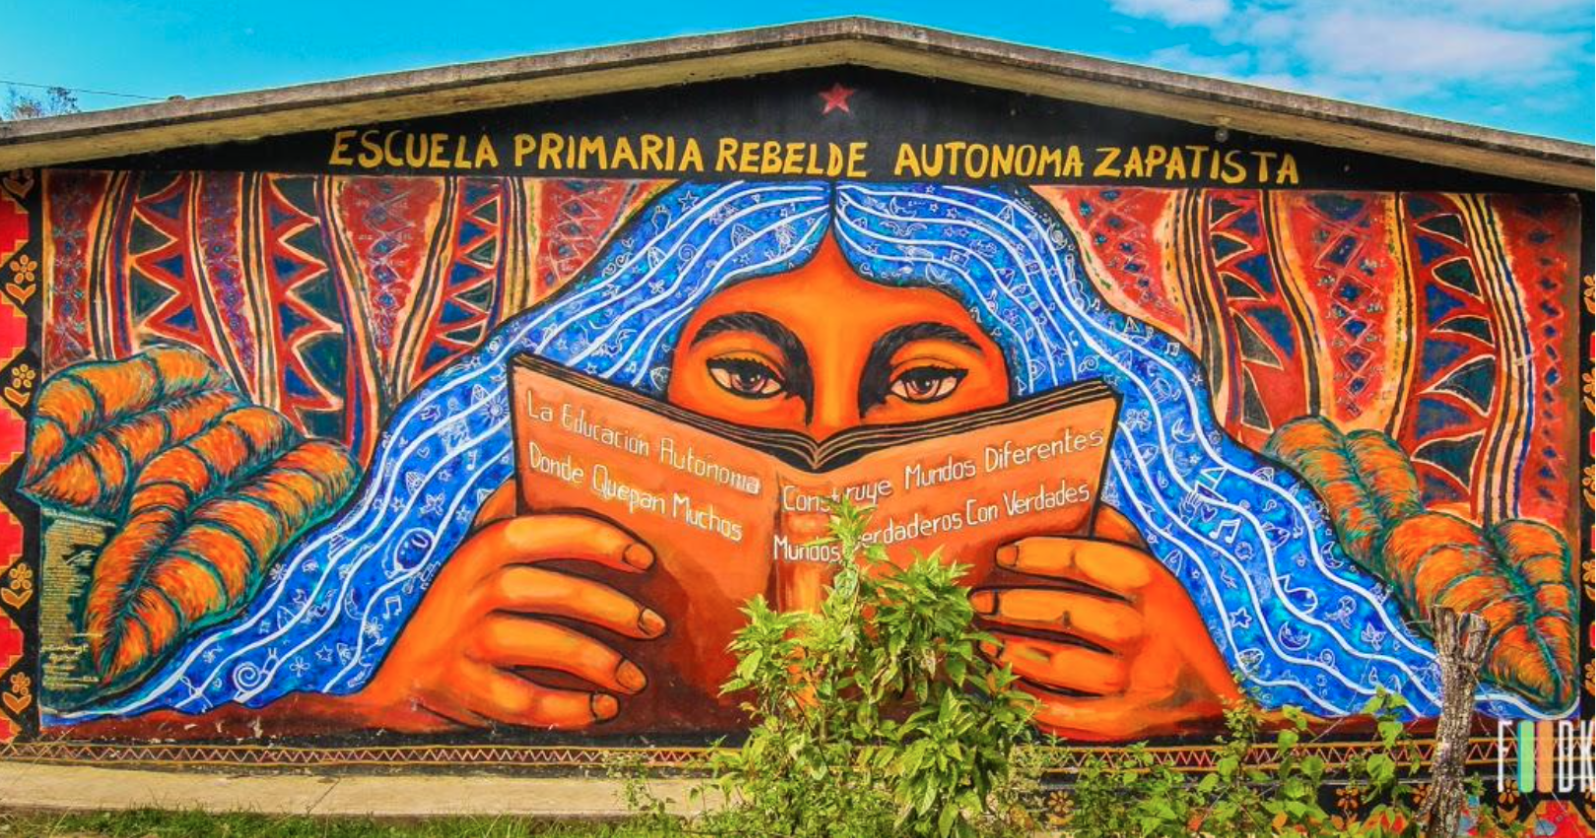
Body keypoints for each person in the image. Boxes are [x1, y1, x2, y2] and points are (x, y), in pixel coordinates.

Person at [57, 181, 1479, 742]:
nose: (824, 440)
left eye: (924, 383)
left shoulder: (1165, 640)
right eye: (746, 377)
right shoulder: (447, 640)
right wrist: (396, 703)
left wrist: (1212, 711)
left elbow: (1483, 767)